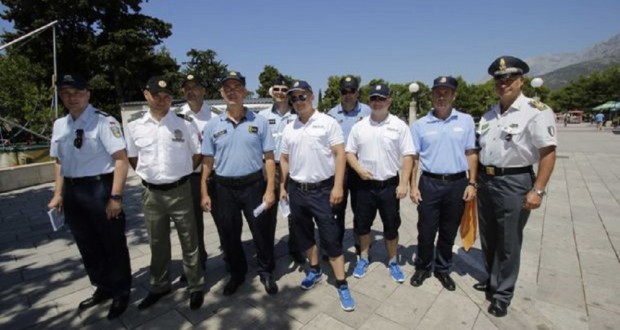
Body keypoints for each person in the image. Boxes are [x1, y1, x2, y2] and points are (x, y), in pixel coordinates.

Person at [476, 56, 557, 317]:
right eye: (499, 80)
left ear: (521, 81)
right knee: (489, 236)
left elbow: (548, 152)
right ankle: (491, 279)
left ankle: (503, 293)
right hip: (486, 180)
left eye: (509, 80)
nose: (504, 84)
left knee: (509, 240)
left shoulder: (537, 111)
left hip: (515, 181)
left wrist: (538, 189)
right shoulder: (489, 113)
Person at [47, 73, 131, 319]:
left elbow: (121, 160)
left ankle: (121, 291)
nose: (71, 98)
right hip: (73, 191)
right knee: (87, 244)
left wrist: (115, 197)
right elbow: (59, 161)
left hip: (99, 188)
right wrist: (58, 194)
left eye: (76, 93)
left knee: (112, 242)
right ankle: (102, 286)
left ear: (87, 94)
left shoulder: (104, 122)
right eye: (66, 94)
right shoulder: (60, 125)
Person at [125, 76, 204, 310]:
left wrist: (181, 172)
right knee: (157, 242)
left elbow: (197, 153)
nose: (161, 100)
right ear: (146, 95)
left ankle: (196, 286)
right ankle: (160, 285)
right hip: (151, 194)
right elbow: (132, 156)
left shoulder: (184, 124)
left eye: (167, 96)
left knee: (190, 241)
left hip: (180, 190)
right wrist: (150, 174)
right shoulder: (134, 126)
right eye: (156, 95)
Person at [200, 71, 278, 296]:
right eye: (228, 88)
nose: (233, 92)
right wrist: (204, 192)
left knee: (261, 231)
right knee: (229, 234)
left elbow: (270, 158)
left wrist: (270, 189)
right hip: (224, 188)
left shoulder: (259, 122)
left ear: (245, 91)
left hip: (254, 186)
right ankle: (237, 273)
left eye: (237, 87)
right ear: (222, 93)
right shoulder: (212, 126)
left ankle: (265, 270)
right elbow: (207, 161)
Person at [280, 80, 356, 311]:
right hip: (297, 190)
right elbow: (284, 158)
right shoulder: (289, 127)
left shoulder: (327, 122)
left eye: (302, 96)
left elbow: (340, 154)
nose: (298, 102)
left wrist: (338, 187)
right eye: (293, 99)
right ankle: (314, 270)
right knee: (305, 236)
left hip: (323, 190)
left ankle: (342, 283)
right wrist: (283, 186)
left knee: (331, 238)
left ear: (311, 96)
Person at [408, 76, 478, 291]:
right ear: (431, 95)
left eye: (446, 92)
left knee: (448, 231)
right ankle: (422, 267)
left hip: (458, 183)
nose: (441, 96)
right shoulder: (420, 125)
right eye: (437, 92)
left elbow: (471, 153)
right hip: (429, 183)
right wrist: (412, 185)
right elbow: (415, 157)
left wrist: (472, 183)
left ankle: (443, 269)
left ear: (454, 95)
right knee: (426, 230)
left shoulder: (465, 121)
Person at [345, 84, 415, 283]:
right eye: (374, 98)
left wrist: (404, 184)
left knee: (391, 226)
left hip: (389, 186)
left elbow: (408, 155)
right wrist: (358, 169)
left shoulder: (399, 126)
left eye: (381, 99)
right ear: (369, 101)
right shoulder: (359, 126)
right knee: (363, 226)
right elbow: (349, 152)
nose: (377, 102)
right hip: (365, 186)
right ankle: (364, 258)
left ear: (389, 101)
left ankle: (392, 261)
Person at [258, 75, 305, 263]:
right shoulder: (262, 116)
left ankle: (295, 247)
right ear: (271, 91)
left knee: (294, 211)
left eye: (284, 90)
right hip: (269, 167)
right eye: (276, 89)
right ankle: (267, 248)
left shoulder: (298, 115)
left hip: (292, 168)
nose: (280, 93)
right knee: (268, 210)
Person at [177, 74, 218, 279]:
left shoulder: (216, 115)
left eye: (195, 87)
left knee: (225, 220)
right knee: (192, 225)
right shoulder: (176, 116)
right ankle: (196, 264)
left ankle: (232, 257)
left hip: (216, 175)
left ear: (204, 90)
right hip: (191, 177)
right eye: (186, 87)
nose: (190, 91)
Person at [327, 76, 371, 255]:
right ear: (340, 93)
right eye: (344, 92)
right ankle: (335, 246)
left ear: (357, 92)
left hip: (361, 167)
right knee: (336, 209)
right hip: (340, 169)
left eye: (351, 91)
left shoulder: (368, 112)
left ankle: (361, 245)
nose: (348, 95)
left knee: (361, 210)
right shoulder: (331, 114)